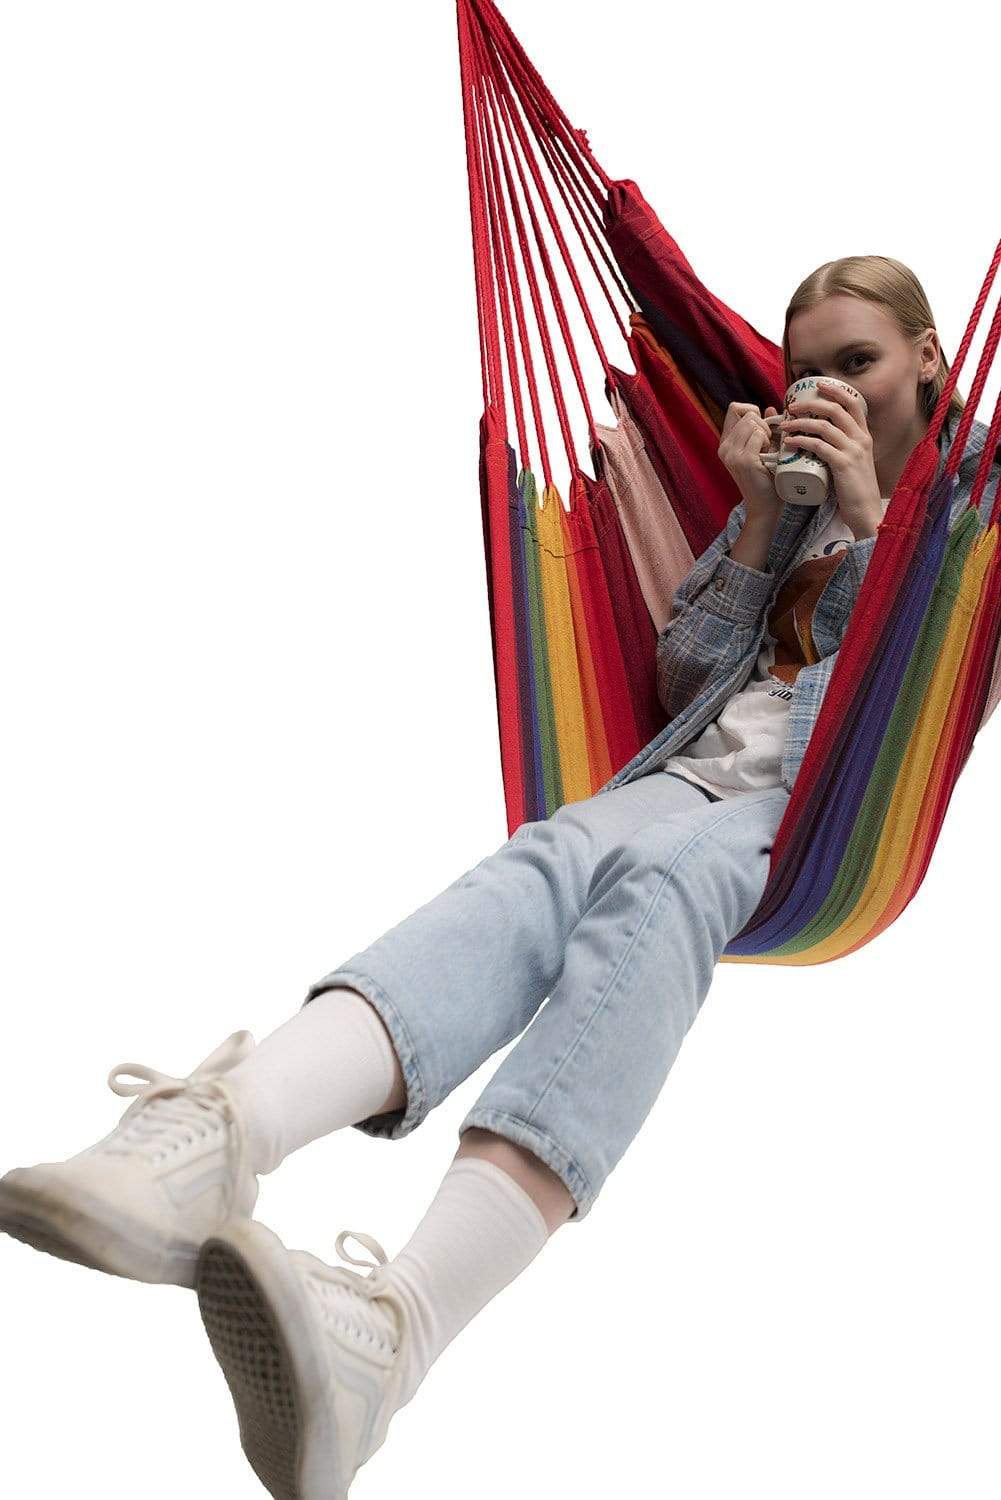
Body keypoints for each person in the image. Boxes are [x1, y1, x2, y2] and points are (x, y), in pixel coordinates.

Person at [2, 255, 998, 1500]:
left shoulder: (975, 514)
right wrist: (757, 517)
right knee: (542, 860)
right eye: (805, 371)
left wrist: (870, 516)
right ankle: (216, 1139)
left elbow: (903, 688)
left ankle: (402, 1323)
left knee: (663, 888)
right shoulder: (788, 493)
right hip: (686, 777)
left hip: (816, 822)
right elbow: (686, 679)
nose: (827, 390)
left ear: (927, 359)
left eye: (856, 362)